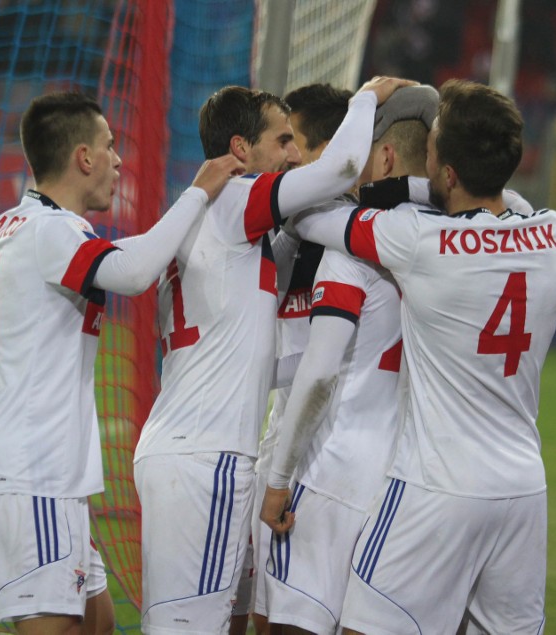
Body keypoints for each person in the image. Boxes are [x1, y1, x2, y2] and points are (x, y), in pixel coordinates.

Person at [285, 79, 556, 634]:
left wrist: (405, 186)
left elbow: (306, 215)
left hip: (436, 487)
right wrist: (498, 196)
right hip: (522, 492)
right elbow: (537, 230)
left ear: (446, 173)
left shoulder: (417, 241)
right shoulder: (555, 239)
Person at [0, 91, 245, 635]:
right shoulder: (50, 231)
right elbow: (134, 272)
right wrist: (199, 195)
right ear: (83, 157)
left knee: (98, 625)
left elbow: (124, 260)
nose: (118, 160)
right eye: (110, 147)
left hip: (48, 474)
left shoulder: (24, 223)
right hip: (29, 472)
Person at [133, 76, 410, 634]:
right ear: (240, 149)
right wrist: (365, 99)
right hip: (208, 458)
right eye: (282, 140)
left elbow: (257, 355)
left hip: (186, 447)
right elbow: (336, 170)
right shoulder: (236, 198)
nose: (292, 154)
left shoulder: (214, 225)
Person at [259, 85, 438, 635]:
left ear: (381, 156)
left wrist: (279, 477)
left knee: (285, 624)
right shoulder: (452, 244)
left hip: (332, 472)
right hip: (405, 484)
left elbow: (319, 372)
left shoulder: (351, 248)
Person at [229, 82, 355, 635]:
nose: (290, 159)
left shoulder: (362, 243)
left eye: (295, 143)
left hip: (325, 470)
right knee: (258, 616)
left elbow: (322, 368)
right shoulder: (281, 238)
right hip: (282, 454)